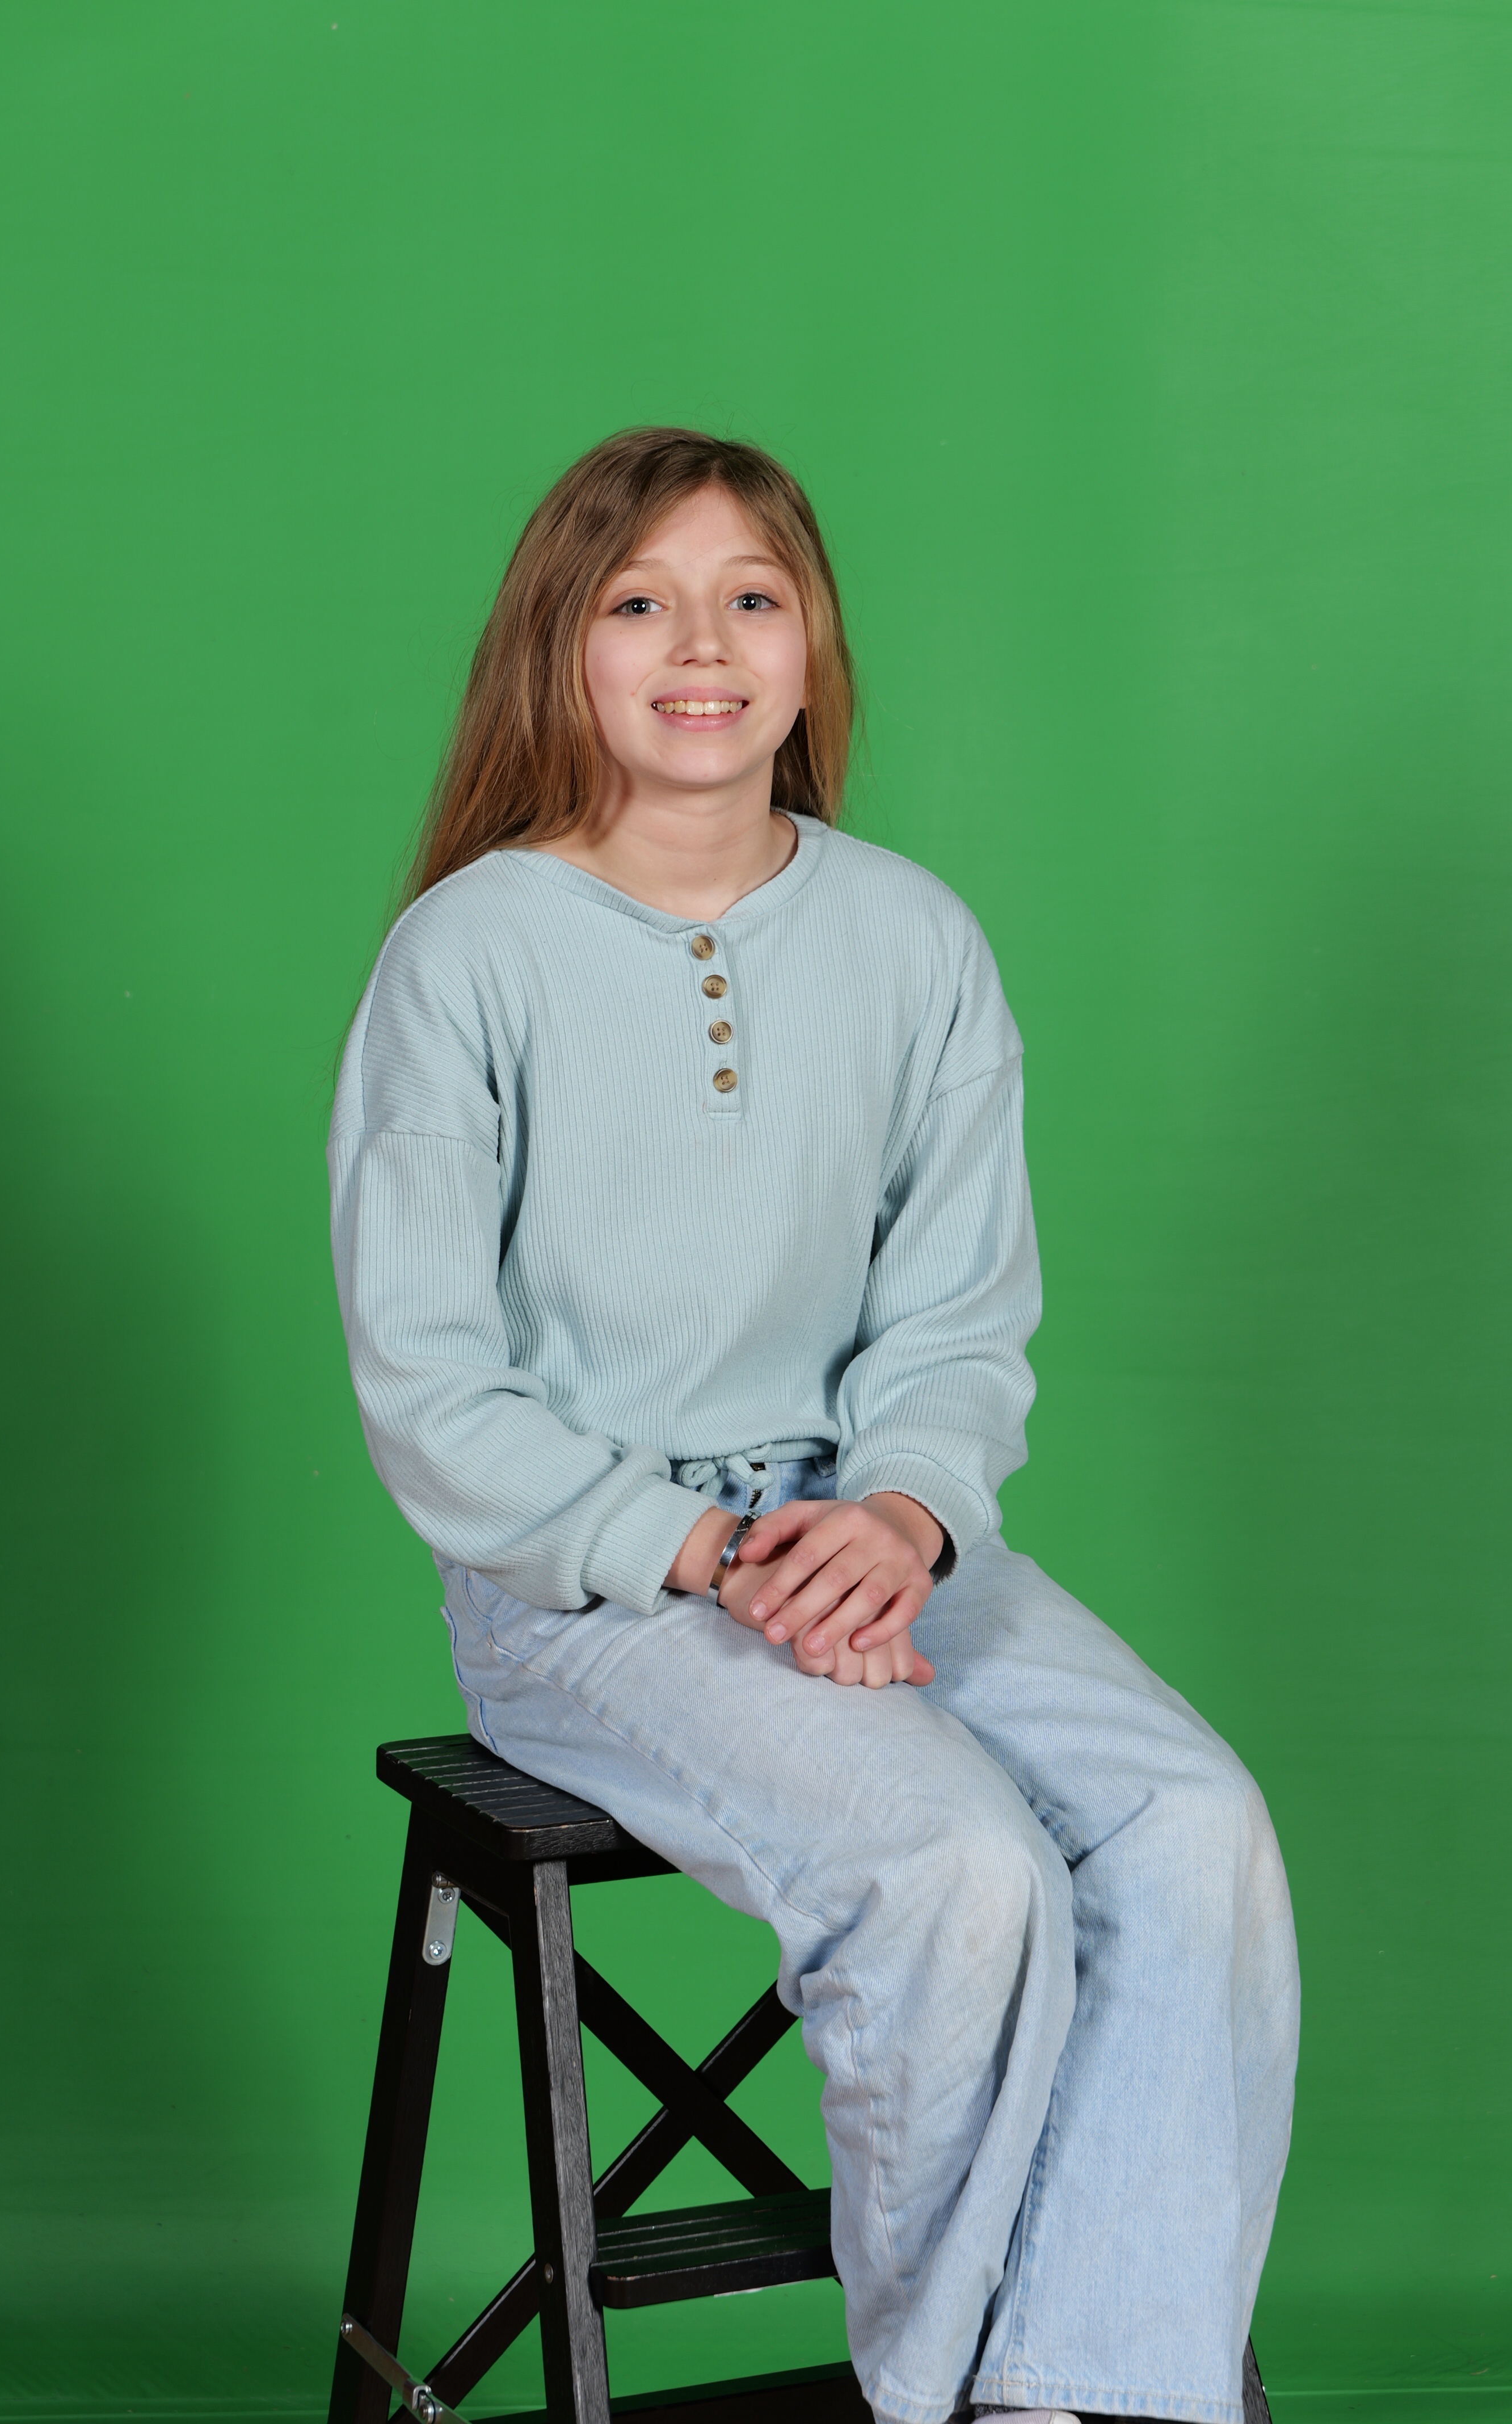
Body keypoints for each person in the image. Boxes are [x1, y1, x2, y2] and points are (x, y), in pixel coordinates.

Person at [328, 427, 1299, 2424]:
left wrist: (905, 1520)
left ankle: (1081, 2391)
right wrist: (704, 1555)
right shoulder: (469, 954)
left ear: (814, 643)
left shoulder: (914, 938)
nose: (704, 645)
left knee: (1194, 1828)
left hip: (871, 1534)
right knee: (956, 1867)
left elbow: (958, 1316)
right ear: (560, 649)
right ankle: (935, 2395)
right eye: (641, 602)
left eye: (751, 597)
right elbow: (431, 1384)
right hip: (590, 1585)